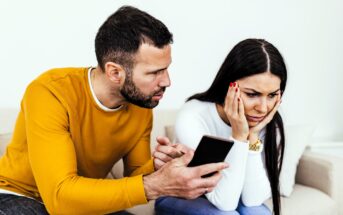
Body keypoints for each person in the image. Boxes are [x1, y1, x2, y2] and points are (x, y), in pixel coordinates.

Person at [0, 6, 228, 215]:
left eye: (166, 69)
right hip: (20, 196)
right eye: (154, 72)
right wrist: (154, 185)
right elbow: (59, 198)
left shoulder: (142, 104)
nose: (167, 81)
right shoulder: (50, 92)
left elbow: (136, 177)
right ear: (115, 72)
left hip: (84, 205)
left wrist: (162, 168)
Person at [154, 38, 287, 215]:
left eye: (272, 95)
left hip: (232, 197)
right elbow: (224, 202)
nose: (263, 108)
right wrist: (239, 137)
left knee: (258, 213)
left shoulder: (269, 124)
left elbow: (253, 199)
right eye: (252, 94)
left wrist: (253, 137)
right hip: (181, 197)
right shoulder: (193, 116)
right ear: (229, 86)